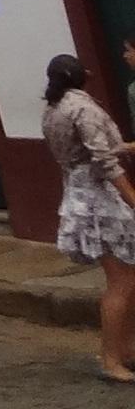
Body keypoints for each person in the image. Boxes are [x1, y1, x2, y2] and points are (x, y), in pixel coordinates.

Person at [45, 53, 135, 382]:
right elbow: (103, 162)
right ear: (81, 75)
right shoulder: (83, 108)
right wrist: (132, 198)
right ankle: (112, 360)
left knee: (128, 280)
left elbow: (84, 151)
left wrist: (124, 146)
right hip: (99, 201)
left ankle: (126, 349)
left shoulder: (54, 109)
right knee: (122, 283)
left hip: (80, 194)